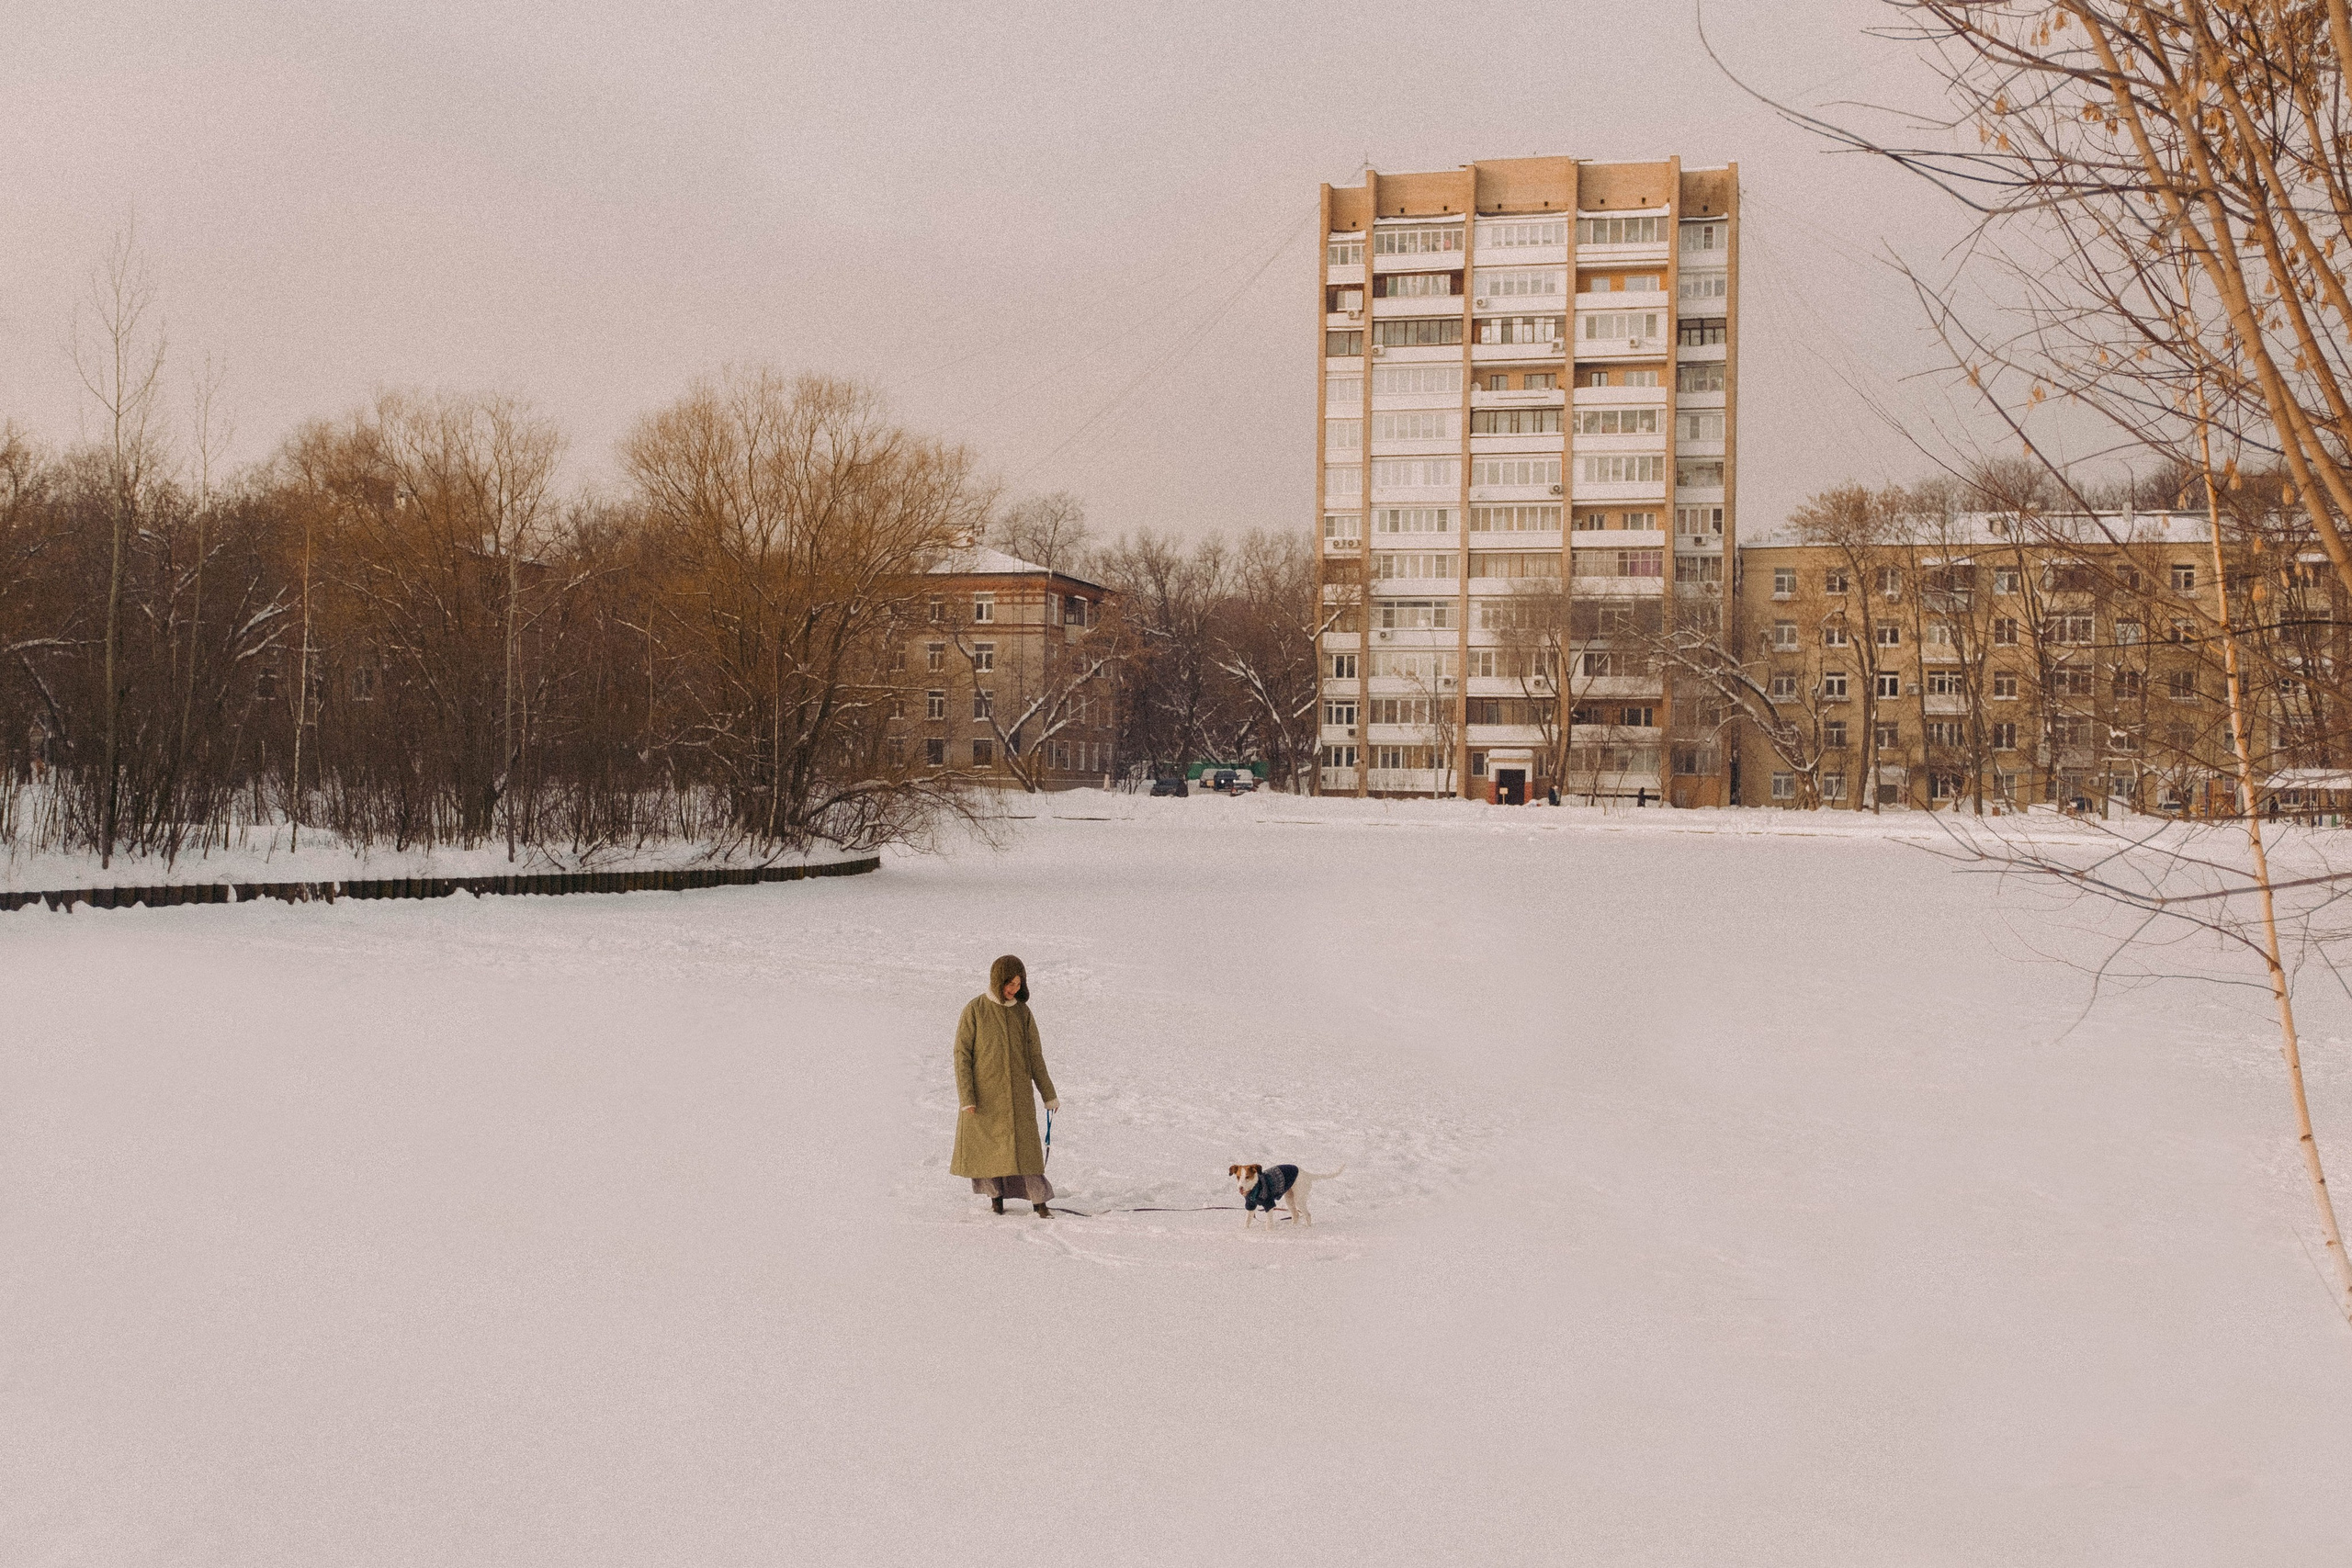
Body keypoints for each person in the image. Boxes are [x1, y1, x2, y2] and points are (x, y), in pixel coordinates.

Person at [951, 954, 1060, 1217]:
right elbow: (961, 1055)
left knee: (1026, 1151)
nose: (1013, 989)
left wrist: (1049, 1094)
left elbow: (1035, 1056)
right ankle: (995, 1198)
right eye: (1009, 983)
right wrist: (968, 1096)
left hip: (1017, 1097)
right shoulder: (975, 1009)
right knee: (989, 1153)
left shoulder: (1023, 1012)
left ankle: (1039, 1201)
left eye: (1018, 984)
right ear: (997, 980)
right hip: (984, 1099)